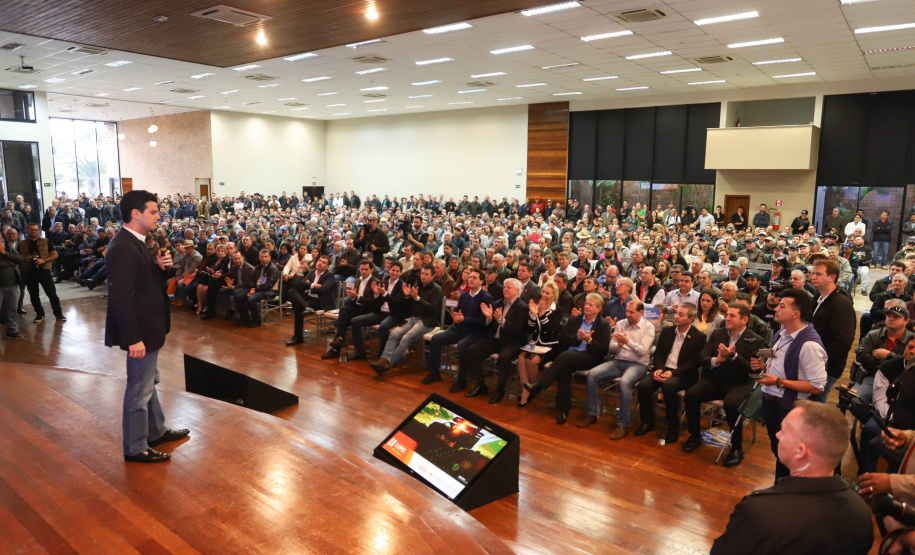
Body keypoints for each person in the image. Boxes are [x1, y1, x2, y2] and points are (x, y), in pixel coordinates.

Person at [711, 401, 874, 555]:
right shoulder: (860, 511)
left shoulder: (758, 512)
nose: (777, 434)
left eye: (784, 430)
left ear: (800, 451)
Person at [105, 190, 188, 463]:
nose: (158, 216)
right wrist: (133, 338)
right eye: (153, 211)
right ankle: (135, 446)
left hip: (149, 326)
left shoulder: (138, 241)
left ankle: (156, 431)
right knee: (138, 391)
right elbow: (121, 297)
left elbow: (145, 285)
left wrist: (162, 268)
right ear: (135, 214)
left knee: (149, 383)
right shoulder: (123, 247)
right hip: (139, 332)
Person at [751, 288, 828, 480]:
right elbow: (777, 360)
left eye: (781, 306)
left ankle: (786, 492)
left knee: (788, 459)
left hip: (788, 407)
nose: (776, 308)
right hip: (771, 402)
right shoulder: (782, 334)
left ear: (796, 313)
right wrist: (763, 365)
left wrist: (778, 381)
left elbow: (816, 386)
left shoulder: (809, 345)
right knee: (779, 452)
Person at [683, 304, 763, 466]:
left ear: (744, 319)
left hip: (739, 383)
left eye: (733, 315)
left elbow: (752, 369)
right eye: (727, 315)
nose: (727, 318)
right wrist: (717, 360)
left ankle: (736, 447)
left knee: (731, 404)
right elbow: (702, 357)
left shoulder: (755, 339)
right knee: (691, 395)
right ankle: (695, 435)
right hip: (716, 379)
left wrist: (733, 356)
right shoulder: (718, 333)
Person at [522, 293, 611, 424]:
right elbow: (563, 339)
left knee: (567, 356)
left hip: (590, 358)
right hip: (569, 356)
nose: (587, 306)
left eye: (591, 305)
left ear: (598, 309)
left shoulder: (603, 324)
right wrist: (578, 338)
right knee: (564, 370)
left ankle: (540, 383)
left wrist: (589, 340)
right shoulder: (575, 320)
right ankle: (563, 410)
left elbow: (603, 349)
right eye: (586, 303)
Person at [576, 299, 655, 438]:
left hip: (638, 364)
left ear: (641, 312)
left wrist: (626, 341)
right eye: (627, 311)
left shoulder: (648, 327)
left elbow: (642, 351)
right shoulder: (620, 323)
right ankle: (591, 414)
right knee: (593, 375)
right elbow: (611, 348)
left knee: (625, 382)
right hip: (618, 361)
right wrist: (618, 345)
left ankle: (623, 424)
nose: (628, 314)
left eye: (632, 312)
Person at [635, 302, 707, 444]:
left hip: (684, 374)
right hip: (664, 368)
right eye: (676, 313)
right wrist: (659, 369)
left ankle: (673, 426)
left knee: (668, 386)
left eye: (681, 314)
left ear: (691, 319)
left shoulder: (699, 337)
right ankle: (647, 422)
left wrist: (673, 374)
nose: (676, 317)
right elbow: (659, 355)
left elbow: (694, 363)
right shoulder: (667, 331)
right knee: (643, 386)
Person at [423, 267, 493, 390]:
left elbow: (482, 322)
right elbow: (460, 313)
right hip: (461, 328)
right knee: (435, 339)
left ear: (481, 281)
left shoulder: (486, 297)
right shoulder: (464, 295)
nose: (470, 279)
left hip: (476, 332)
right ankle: (434, 372)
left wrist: (464, 319)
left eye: (474, 278)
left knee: (462, 345)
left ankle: (462, 380)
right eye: (470, 277)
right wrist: (456, 317)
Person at [463, 278, 530, 403]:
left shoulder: (522, 307)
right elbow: (487, 327)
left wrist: (502, 320)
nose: (505, 289)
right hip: (495, 339)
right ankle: (480, 385)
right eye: (504, 287)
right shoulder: (496, 303)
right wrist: (488, 318)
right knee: (472, 350)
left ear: (517, 290)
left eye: (509, 287)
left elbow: (517, 330)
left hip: (512, 342)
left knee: (504, 357)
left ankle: (500, 389)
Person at [371, 264, 443, 375]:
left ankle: (387, 364)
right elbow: (408, 305)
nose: (423, 276)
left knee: (405, 338)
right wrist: (407, 297)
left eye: (426, 274)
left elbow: (432, 308)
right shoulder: (416, 285)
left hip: (426, 321)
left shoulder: (437, 289)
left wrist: (417, 298)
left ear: (433, 276)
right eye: (422, 273)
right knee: (394, 334)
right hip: (413, 318)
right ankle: (383, 359)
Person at [808, 258, 856, 401]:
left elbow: (842, 342)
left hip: (825, 367)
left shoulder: (841, 304)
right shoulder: (819, 296)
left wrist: (820, 361)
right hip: (813, 362)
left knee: (815, 409)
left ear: (832, 277)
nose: (813, 277)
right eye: (812, 273)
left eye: (818, 274)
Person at [516, 281, 563, 407]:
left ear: (554, 296)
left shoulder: (558, 311)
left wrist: (541, 315)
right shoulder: (537, 306)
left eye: (548, 293)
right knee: (521, 357)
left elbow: (551, 332)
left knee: (531, 360)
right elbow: (529, 329)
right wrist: (533, 315)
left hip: (551, 345)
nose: (544, 295)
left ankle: (533, 387)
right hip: (535, 342)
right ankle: (526, 390)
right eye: (543, 291)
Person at [321, 260, 377, 359]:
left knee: (346, 318)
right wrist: (351, 296)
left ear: (371, 270)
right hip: (357, 306)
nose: (363, 271)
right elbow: (354, 299)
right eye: (361, 269)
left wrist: (357, 296)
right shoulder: (358, 280)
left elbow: (372, 302)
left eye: (366, 269)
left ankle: (337, 345)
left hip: (368, 309)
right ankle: (339, 339)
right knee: (343, 310)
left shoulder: (375, 282)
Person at [18, 222, 65, 323]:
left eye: (35, 230)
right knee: (34, 295)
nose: (33, 232)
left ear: (38, 231)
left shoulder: (46, 241)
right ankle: (39, 314)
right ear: (27, 231)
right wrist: (24, 259)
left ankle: (58, 314)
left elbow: (55, 254)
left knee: (52, 293)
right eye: (30, 229)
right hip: (29, 272)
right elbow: (17, 257)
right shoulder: (21, 243)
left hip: (44, 270)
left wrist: (44, 260)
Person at [0, 225, 23, 339]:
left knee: (12, 309)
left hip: (12, 283)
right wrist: (10, 263)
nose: (0, 241)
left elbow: (20, 259)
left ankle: (12, 330)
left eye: (0, 239)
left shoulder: (7, 247)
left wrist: (5, 253)